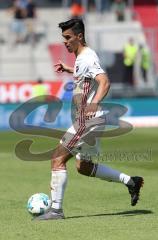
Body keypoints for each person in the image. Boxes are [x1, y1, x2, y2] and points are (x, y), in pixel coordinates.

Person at [35, 19, 144, 220]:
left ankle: (56, 211)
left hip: (88, 121)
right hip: (91, 121)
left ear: (79, 37)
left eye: (68, 38)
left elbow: (104, 81)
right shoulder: (81, 59)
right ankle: (131, 182)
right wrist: (70, 69)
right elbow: (88, 77)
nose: (65, 42)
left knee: (57, 158)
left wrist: (93, 104)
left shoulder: (86, 58)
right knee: (83, 167)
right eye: (63, 38)